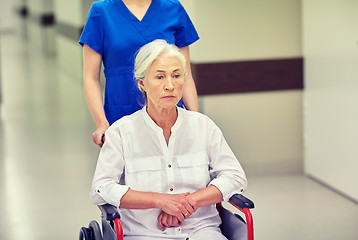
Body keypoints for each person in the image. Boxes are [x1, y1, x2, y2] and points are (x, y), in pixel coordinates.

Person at [90, 39, 247, 240]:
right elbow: (101, 188)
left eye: (176, 75)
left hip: (202, 231)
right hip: (144, 234)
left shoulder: (203, 126)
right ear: (142, 84)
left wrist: (188, 202)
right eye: (160, 77)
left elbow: (235, 177)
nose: (170, 85)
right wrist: (159, 201)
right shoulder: (121, 132)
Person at [79, 0, 200, 147]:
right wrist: (102, 123)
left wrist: (196, 120)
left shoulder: (173, 8)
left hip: (169, 115)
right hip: (122, 113)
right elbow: (91, 78)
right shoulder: (101, 11)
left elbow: (184, 74)